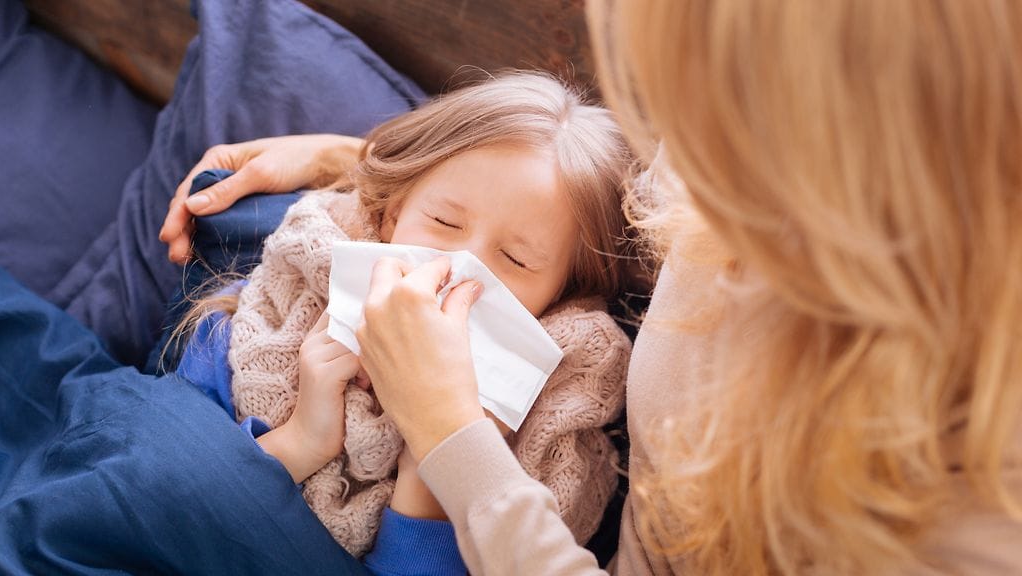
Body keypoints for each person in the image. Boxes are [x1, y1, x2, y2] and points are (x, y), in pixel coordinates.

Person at [161, 0, 1022, 574]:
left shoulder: (978, 509)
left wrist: (448, 439)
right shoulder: (270, 324)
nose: (689, 150)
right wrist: (367, 165)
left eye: (728, 120)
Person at [170, 72, 635, 567]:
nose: (456, 270)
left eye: (516, 260)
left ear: (561, 300)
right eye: (444, 222)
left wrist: (427, 478)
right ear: (393, 215)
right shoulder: (259, 323)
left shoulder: (555, 451)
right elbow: (165, 504)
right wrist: (301, 441)